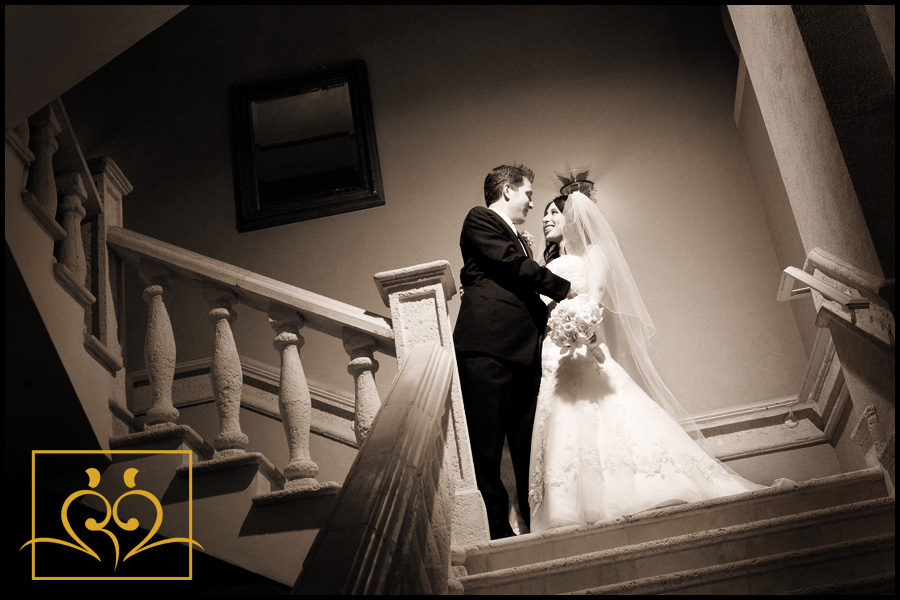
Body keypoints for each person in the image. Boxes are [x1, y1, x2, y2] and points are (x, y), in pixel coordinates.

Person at [528, 175, 766, 533]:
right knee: (560, 418)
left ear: (571, 218)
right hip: (552, 353)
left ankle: (637, 487)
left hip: (579, 345)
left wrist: (579, 327)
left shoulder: (594, 253)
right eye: (542, 214)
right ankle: (566, 501)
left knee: (602, 413)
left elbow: (595, 295)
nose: (545, 219)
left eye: (552, 213)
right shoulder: (547, 264)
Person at [454, 164, 573, 540]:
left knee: (528, 448)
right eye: (528, 193)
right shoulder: (480, 219)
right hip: (488, 348)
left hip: (525, 353)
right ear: (507, 190)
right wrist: (565, 289)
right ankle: (497, 531)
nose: (532, 202)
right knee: (486, 447)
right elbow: (511, 265)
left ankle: (532, 521)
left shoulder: (518, 238)